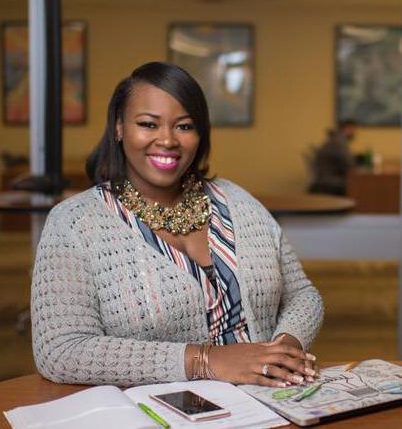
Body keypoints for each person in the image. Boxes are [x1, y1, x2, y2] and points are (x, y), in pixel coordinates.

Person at [31, 61, 323, 387]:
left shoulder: (237, 201)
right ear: (118, 127)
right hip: (158, 411)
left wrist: (284, 350)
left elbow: (302, 295)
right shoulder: (75, 223)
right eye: (148, 124)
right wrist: (204, 360)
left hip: (266, 400)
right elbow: (60, 350)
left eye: (184, 126)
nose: (167, 140)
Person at [308, 119, 357, 195]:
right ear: (347, 128)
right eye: (354, 130)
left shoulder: (334, 139)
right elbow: (349, 165)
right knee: (361, 187)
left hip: (322, 180)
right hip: (330, 183)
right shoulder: (339, 142)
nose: (355, 133)